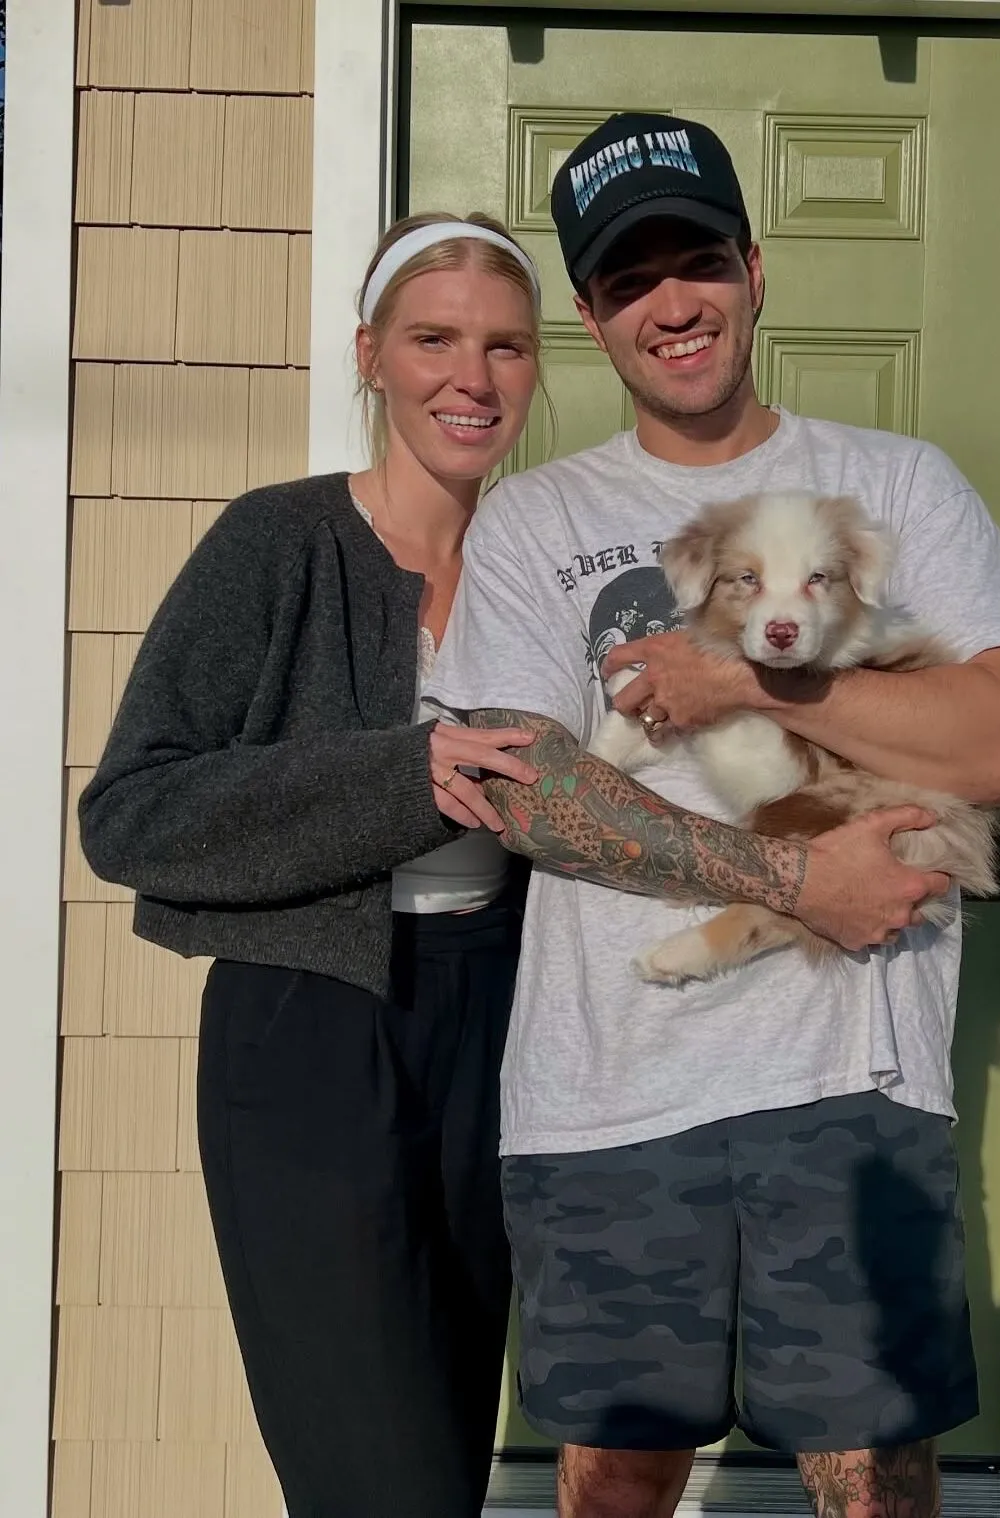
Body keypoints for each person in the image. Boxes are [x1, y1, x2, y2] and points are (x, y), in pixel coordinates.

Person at [424, 115, 1000, 1518]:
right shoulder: (539, 523)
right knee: (612, 1481)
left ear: (754, 269)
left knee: (873, 1484)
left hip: (846, 1084)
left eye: (697, 258)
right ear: (594, 316)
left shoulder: (895, 485)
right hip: (604, 1085)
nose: (672, 302)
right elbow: (525, 786)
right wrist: (790, 878)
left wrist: (752, 677)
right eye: (626, 279)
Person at [77, 212, 551, 1518]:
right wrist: (398, 777)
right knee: (376, 1480)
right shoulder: (275, 541)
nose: (473, 376)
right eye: (434, 339)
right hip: (306, 1030)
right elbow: (130, 808)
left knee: (449, 1460)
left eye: (505, 344)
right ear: (370, 356)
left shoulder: (540, 560)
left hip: (502, 1029)